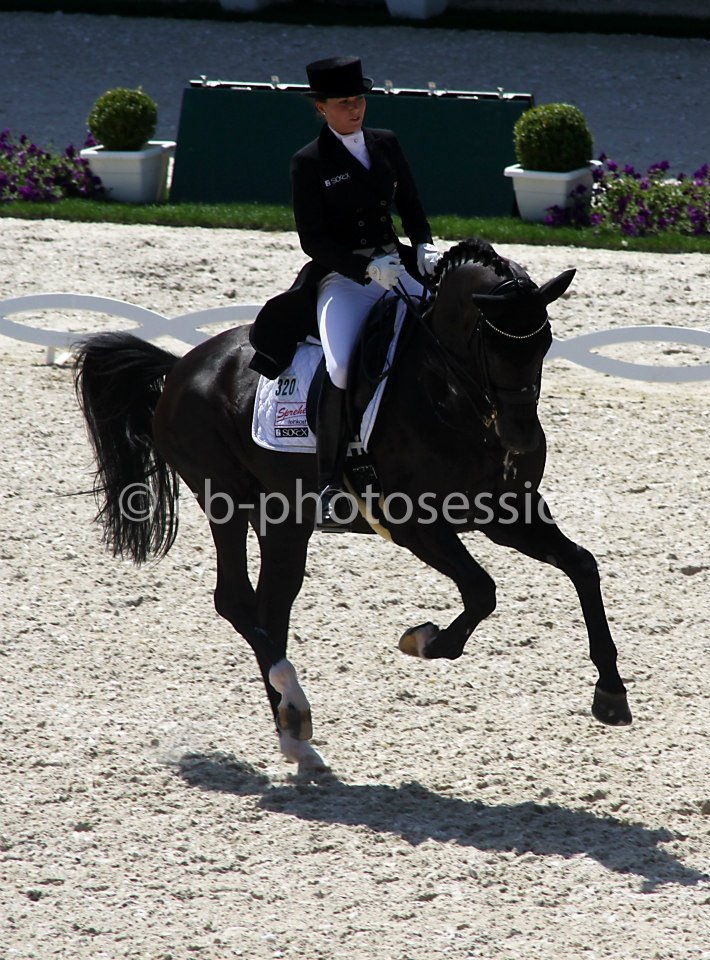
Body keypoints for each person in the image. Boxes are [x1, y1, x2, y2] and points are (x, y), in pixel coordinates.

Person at [292, 55, 441, 530]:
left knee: (443, 337)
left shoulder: (386, 143)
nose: (354, 109)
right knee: (338, 365)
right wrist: (361, 268)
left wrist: (424, 245)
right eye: (343, 103)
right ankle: (330, 480)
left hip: (397, 265)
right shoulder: (309, 162)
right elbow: (311, 240)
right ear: (322, 108)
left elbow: (412, 203)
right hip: (346, 277)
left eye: (358, 100)